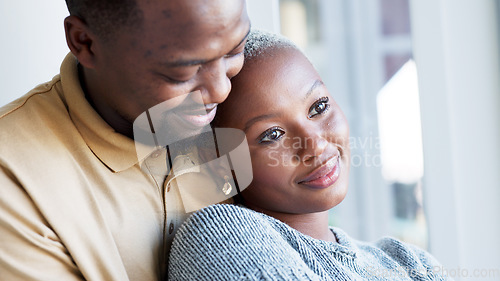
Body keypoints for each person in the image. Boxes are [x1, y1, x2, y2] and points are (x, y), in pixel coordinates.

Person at [167, 30, 452, 281]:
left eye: (319, 107)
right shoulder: (218, 237)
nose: (314, 145)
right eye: (272, 135)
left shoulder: (412, 263)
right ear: (221, 166)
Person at [0, 0, 250, 280]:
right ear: (85, 43)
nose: (221, 90)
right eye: (182, 71)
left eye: (235, 50)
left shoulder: (254, 94)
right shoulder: (12, 181)